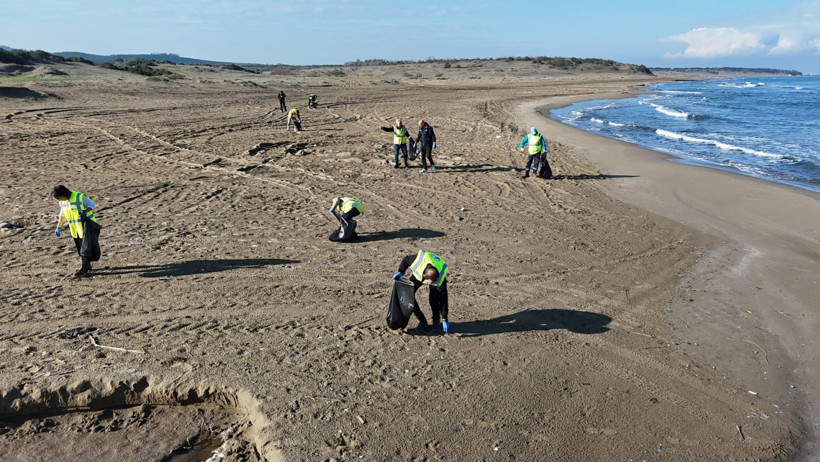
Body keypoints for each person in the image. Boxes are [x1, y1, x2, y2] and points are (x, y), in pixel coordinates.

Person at [393, 250, 450, 333]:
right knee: (408, 296)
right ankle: (422, 321)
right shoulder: (416, 261)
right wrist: (400, 271)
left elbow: (443, 299)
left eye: (434, 282)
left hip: (434, 273)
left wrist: (445, 318)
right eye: (432, 283)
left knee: (434, 298)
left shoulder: (439, 278)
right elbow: (405, 260)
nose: (434, 284)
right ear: (424, 276)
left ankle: (436, 320)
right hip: (418, 275)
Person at [52, 185, 99, 277]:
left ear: (64, 194)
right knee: (80, 246)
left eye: (59, 198)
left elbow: (91, 205)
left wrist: (85, 212)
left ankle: (84, 267)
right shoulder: (63, 202)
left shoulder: (79, 196)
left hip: (86, 225)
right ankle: (87, 264)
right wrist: (58, 226)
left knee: (85, 247)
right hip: (75, 227)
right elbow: (62, 214)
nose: (59, 200)